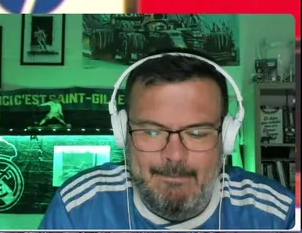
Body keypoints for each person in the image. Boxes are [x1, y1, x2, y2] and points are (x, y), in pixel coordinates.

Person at [40, 51, 295, 230]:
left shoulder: (278, 215)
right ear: (122, 134)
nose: (175, 155)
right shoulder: (77, 208)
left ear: (227, 138)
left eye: (197, 133)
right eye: (152, 131)